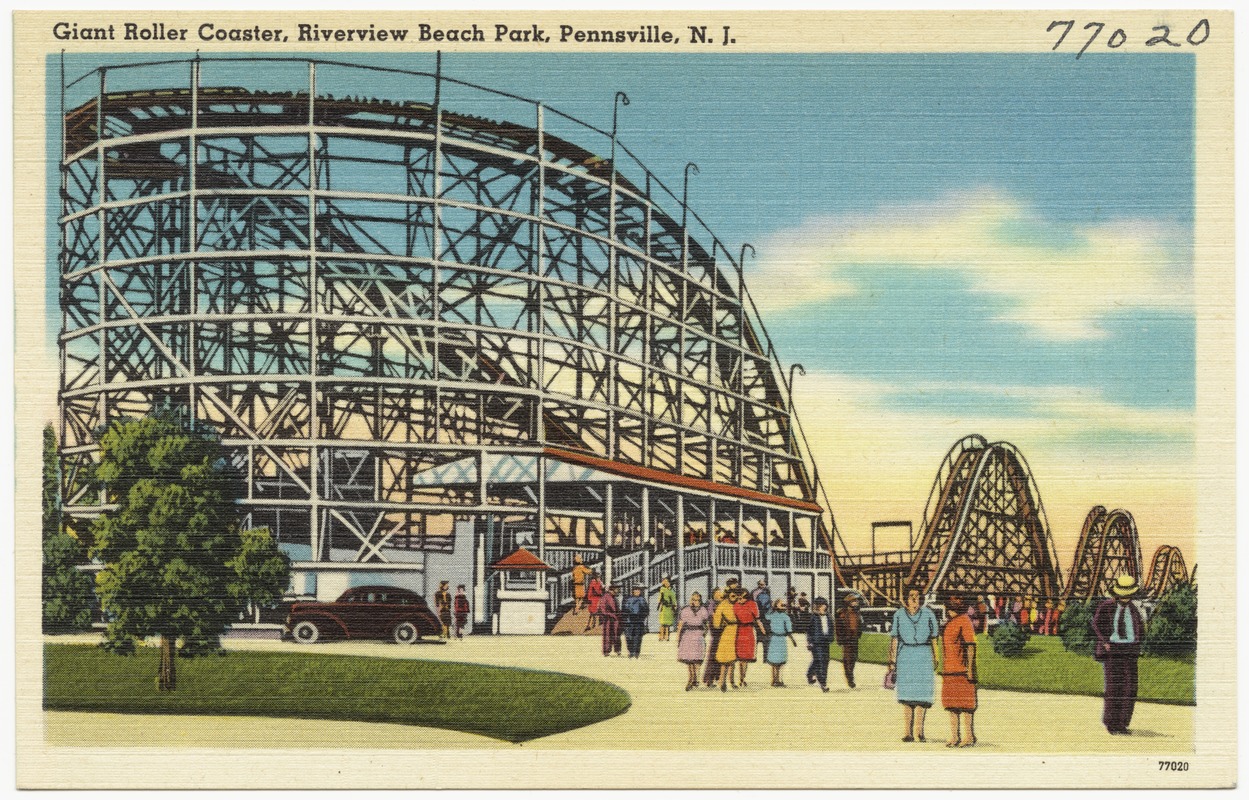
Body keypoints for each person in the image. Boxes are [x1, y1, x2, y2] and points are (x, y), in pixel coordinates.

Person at [1092, 574, 1146, 735]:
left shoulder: (1134, 609)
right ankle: (1111, 723)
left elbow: (1140, 629)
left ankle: (1122, 723)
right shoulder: (1107, 606)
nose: (1125, 598)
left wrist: (1139, 644)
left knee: (1129, 687)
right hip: (1113, 650)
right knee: (1114, 687)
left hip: (1130, 650)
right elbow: (1096, 624)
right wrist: (1105, 642)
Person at [888, 586, 941, 742]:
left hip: (924, 656)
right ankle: (907, 732)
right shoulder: (898, 615)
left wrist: (936, 656)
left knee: (921, 696)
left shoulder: (928, 614)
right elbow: (894, 639)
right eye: (911, 596)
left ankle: (919, 731)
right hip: (905, 656)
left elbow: (934, 637)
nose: (914, 599)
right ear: (905, 599)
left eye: (917, 596)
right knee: (907, 696)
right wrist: (892, 660)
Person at [940, 596, 978, 747]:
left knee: (966, 705)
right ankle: (955, 736)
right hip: (949, 670)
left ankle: (968, 736)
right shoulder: (950, 623)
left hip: (961, 670)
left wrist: (969, 669)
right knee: (951, 705)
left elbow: (970, 645)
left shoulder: (964, 621)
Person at [675, 592, 712, 690]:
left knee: (697, 660)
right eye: (693, 600)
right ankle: (691, 679)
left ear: (700, 601)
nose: (695, 602)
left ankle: (696, 678)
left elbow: (707, 624)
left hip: (698, 636)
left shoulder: (703, 610)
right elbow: (680, 625)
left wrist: (705, 633)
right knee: (689, 659)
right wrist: (678, 637)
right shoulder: (686, 610)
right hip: (688, 636)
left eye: (697, 600)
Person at [733, 585, 765, 688]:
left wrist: (763, 630)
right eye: (738, 598)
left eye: (741, 598)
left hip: (749, 631)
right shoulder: (735, 606)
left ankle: (743, 678)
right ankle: (740, 678)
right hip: (739, 631)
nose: (739, 600)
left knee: (745, 658)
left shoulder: (752, 604)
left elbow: (758, 619)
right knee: (740, 657)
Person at [834, 592, 864, 688]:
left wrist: (859, 633)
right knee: (847, 659)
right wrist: (840, 638)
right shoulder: (842, 613)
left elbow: (859, 625)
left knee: (854, 658)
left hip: (854, 638)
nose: (856, 602)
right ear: (849, 602)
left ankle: (850, 674)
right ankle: (850, 678)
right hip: (846, 638)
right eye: (854, 601)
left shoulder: (857, 613)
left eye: (856, 601)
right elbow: (838, 627)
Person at [713, 587, 741, 692]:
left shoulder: (739, 604)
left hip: (739, 632)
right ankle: (722, 681)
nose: (735, 598)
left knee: (733, 660)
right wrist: (722, 624)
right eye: (733, 595)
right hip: (728, 633)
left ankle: (732, 681)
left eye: (737, 596)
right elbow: (716, 623)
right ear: (729, 595)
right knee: (725, 659)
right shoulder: (723, 604)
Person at [765, 599, 797, 687]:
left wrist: (792, 640)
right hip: (774, 639)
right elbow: (766, 617)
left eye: (784, 605)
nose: (783, 606)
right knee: (774, 661)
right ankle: (774, 680)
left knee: (781, 661)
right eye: (781, 605)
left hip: (781, 639)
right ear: (776, 606)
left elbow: (789, 630)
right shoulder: (772, 615)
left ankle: (779, 680)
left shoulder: (786, 617)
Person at [805, 597, 833, 692]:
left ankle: (809, 673)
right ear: (817, 607)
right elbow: (808, 631)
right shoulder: (813, 617)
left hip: (826, 641)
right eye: (821, 605)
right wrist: (809, 642)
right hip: (816, 642)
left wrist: (831, 638)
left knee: (825, 661)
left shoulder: (829, 616)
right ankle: (823, 683)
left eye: (824, 605)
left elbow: (831, 628)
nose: (823, 607)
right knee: (820, 662)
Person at [702, 588, 726, 687]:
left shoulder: (724, 603)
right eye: (717, 593)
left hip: (723, 632)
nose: (719, 594)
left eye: (720, 593)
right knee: (713, 656)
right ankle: (709, 679)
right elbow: (710, 617)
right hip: (716, 632)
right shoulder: (711, 603)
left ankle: (717, 677)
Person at [622, 585, 649, 658]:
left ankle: (636, 652)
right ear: (633, 591)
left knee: (637, 637)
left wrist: (641, 617)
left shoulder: (642, 599)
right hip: (629, 621)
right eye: (635, 590)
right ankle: (631, 652)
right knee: (629, 637)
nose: (637, 591)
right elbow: (624, 609)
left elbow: (646, 610)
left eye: (638, 590)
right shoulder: (628, 599)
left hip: (638, 622)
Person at [600, 584, 622, 657]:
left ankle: (618, 650)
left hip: (616, 619)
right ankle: (606, 651)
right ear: (611, 590)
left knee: (616, 634)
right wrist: (609, 614)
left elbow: (617, 609)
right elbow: (602, 609)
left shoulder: (614, 597)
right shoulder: (605, 597)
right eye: (616, 589)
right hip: (608, 619)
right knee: (607, 635)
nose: (617, 591)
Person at [657, 577, 677, 642]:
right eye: (664, 581)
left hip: (669, 608)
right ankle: (661, 637)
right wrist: (660, 603)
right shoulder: (662, 589)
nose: (666, 583)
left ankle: (667, 637)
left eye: (667, 582)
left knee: (667, 624)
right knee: (662, 623)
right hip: (664, 608)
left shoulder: (672, 590)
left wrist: (674, 607)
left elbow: (674, 599)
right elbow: (660, 598)